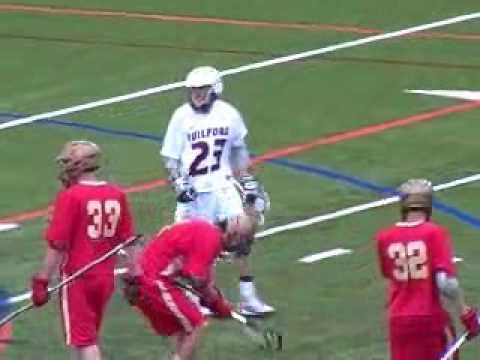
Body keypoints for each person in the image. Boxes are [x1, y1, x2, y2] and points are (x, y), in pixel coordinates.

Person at [160, 65, 274, 316]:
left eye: (202, 89)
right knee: (194, 247)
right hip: (195, 192)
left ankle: (248, 297)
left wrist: (246, 178)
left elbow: (238, 148)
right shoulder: (181, 116)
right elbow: (170, 157)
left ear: (215, 89)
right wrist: (179, 182)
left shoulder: (229, 114)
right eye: (193, 90)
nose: (197, 95)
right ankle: (197, 297)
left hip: (222, 186)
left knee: (243, 234)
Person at [30, 140, 137, 360]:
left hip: (77, 278)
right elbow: (129, 240)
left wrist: (42, 280)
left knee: (85, 342)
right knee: (84, 338)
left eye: (68, 162)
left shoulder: (70, 197)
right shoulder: (116, 194)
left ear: (78, 164)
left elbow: (57, 246)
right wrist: (135, 273)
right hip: (104, 278)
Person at [122, 214, 256, 360]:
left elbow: (205, 281)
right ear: (233, 235)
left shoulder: (207, 233)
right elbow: (197, 280)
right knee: (195, 324)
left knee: (184, 331)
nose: (241, 245)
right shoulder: (210, 238)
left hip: (149, 277)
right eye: (242, 239)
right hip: (153, 280)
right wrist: (219, 305)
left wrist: (218, 303)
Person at [375, 178, 480, 360]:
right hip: (429, 319)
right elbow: (445, 284)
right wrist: (466, 313)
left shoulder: (384, 237)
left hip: (398, 321)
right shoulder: (434, 233)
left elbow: (389, 275)